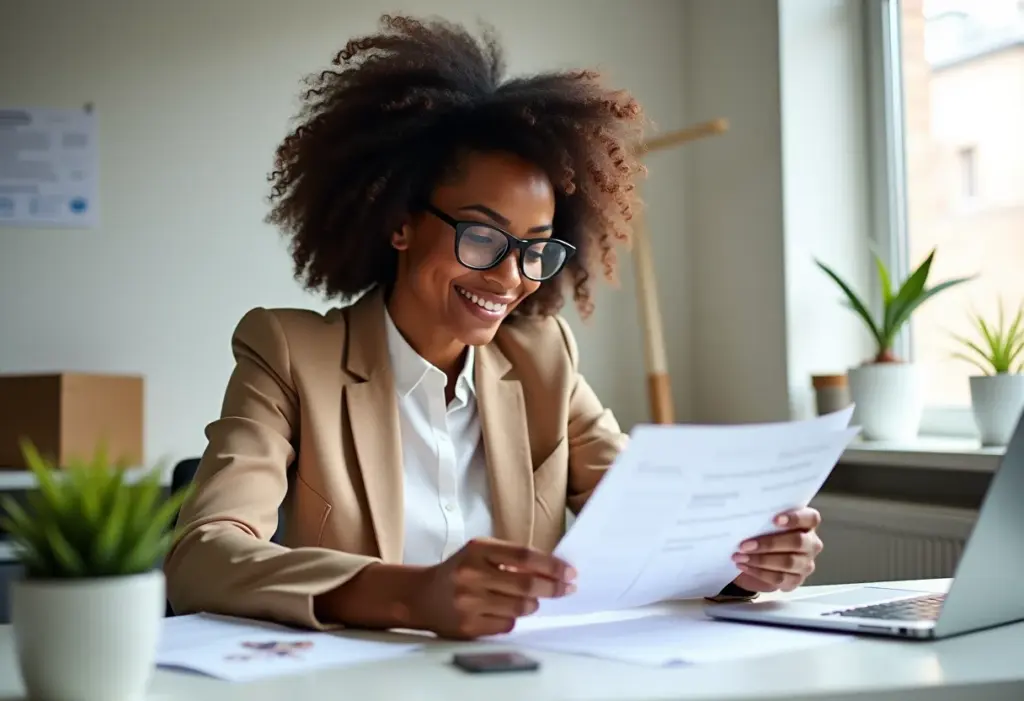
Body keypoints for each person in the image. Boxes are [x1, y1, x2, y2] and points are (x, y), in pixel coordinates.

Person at [164, 14, 825, 639]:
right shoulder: (289, 353)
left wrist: (738, 563)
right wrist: (410, 594)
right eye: (482, 235)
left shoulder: (544, 357)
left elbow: (649, 523)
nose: (511, 276)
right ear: (400, 221)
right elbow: (202, 555)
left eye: (536, 246)